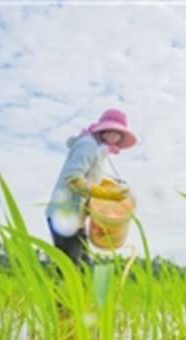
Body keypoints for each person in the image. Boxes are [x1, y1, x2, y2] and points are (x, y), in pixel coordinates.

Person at [45, 108, 137, 267]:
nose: (114, 136)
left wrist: (109, 188)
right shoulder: (88, 145)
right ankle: (60, 292)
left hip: (76, 218)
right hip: (65, 214)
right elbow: (73, 179)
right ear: (103, 128)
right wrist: (106, 195)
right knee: (71, 270)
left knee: (86, 270)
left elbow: (91, 178)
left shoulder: (98, 150)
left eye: (118, 133)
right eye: (111, 130)